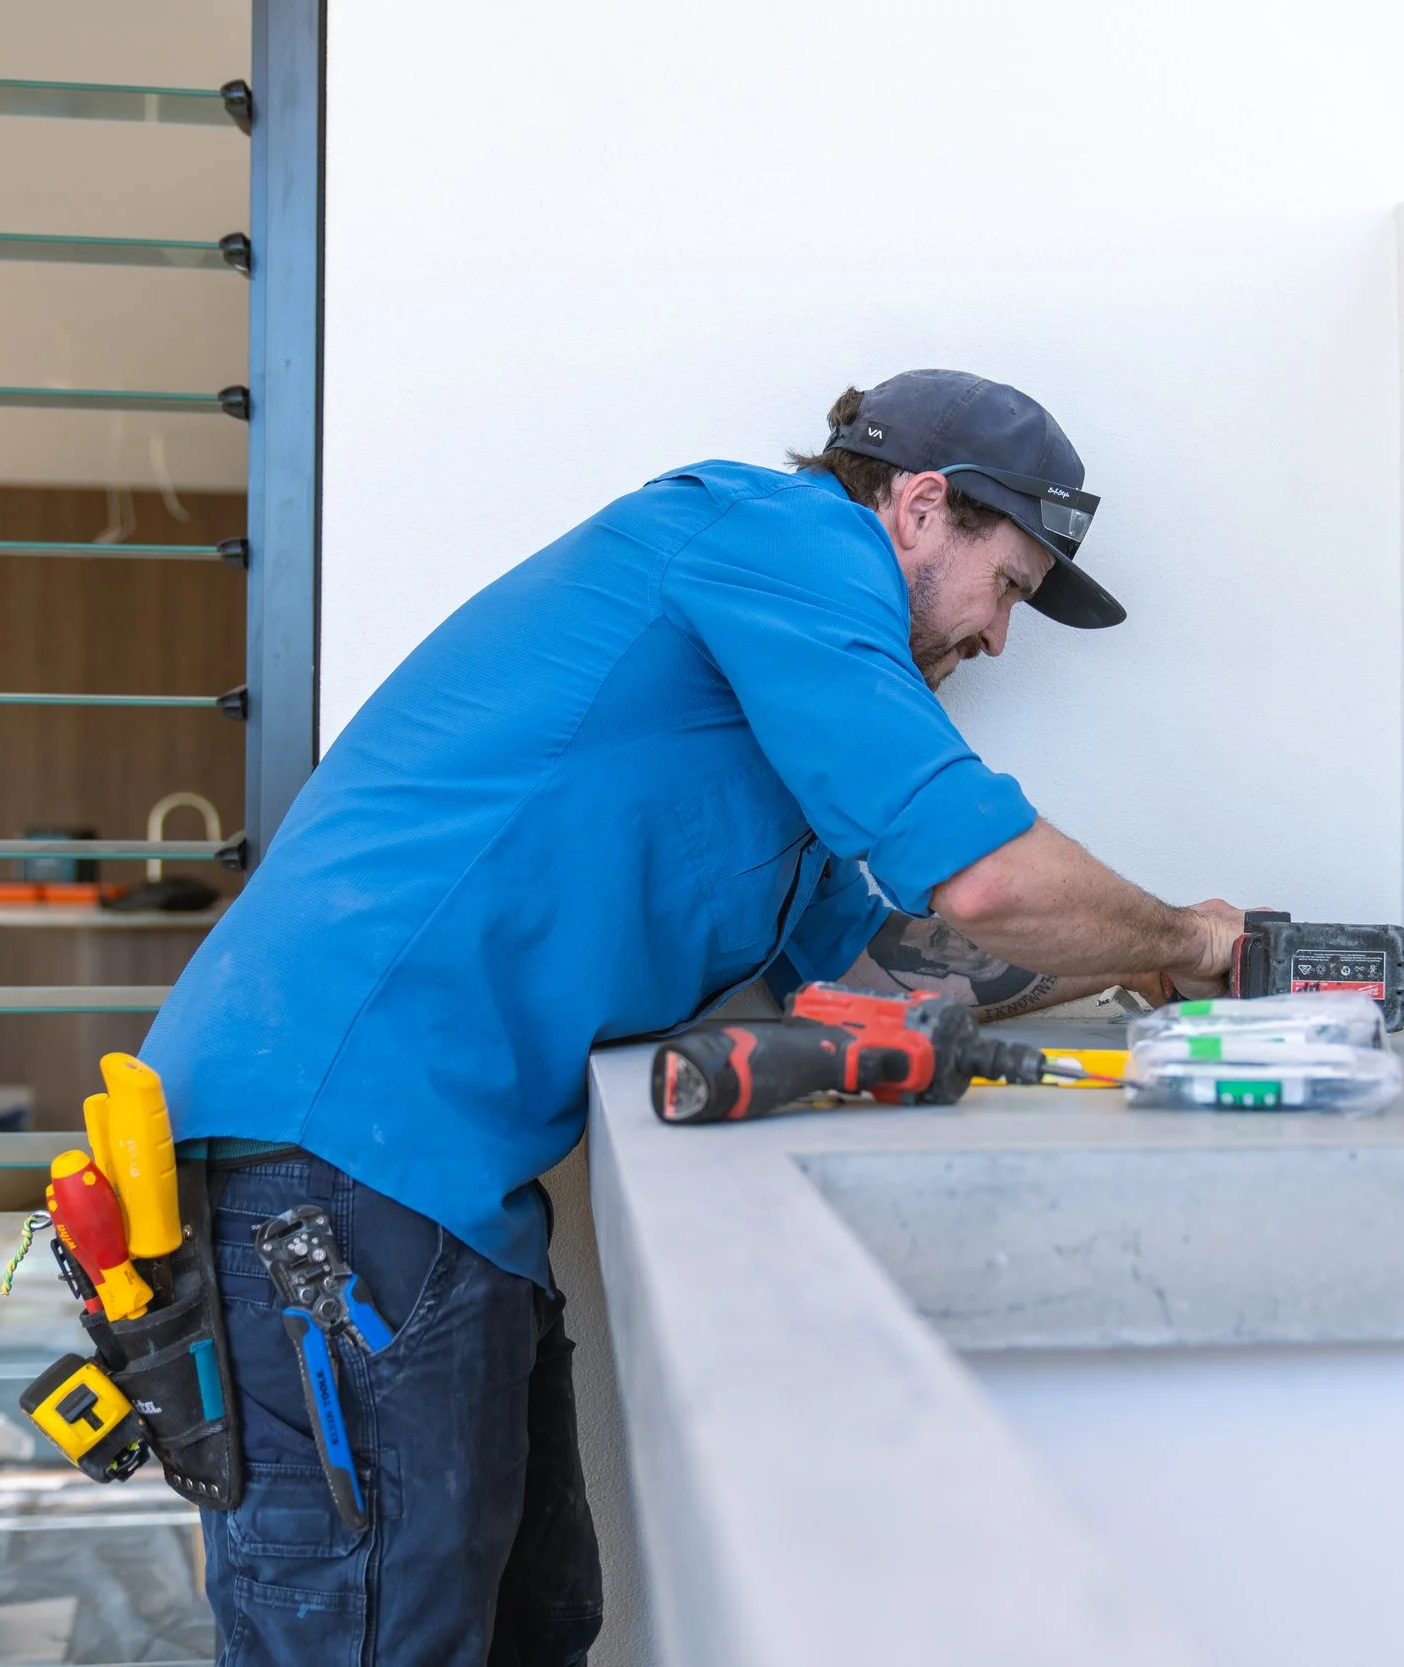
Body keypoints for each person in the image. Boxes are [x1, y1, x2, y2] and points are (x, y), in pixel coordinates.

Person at [141, 369, 1247, 1664]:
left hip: (434, 1193)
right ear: (920, 506)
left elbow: (909, 966)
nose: (1001, 639)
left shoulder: (776, 718)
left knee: (533, 1623)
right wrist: (1186, 929)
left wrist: (1145, 966)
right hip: (333, 1158)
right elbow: (985, 874)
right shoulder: (776, 536)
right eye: (1007, 586)